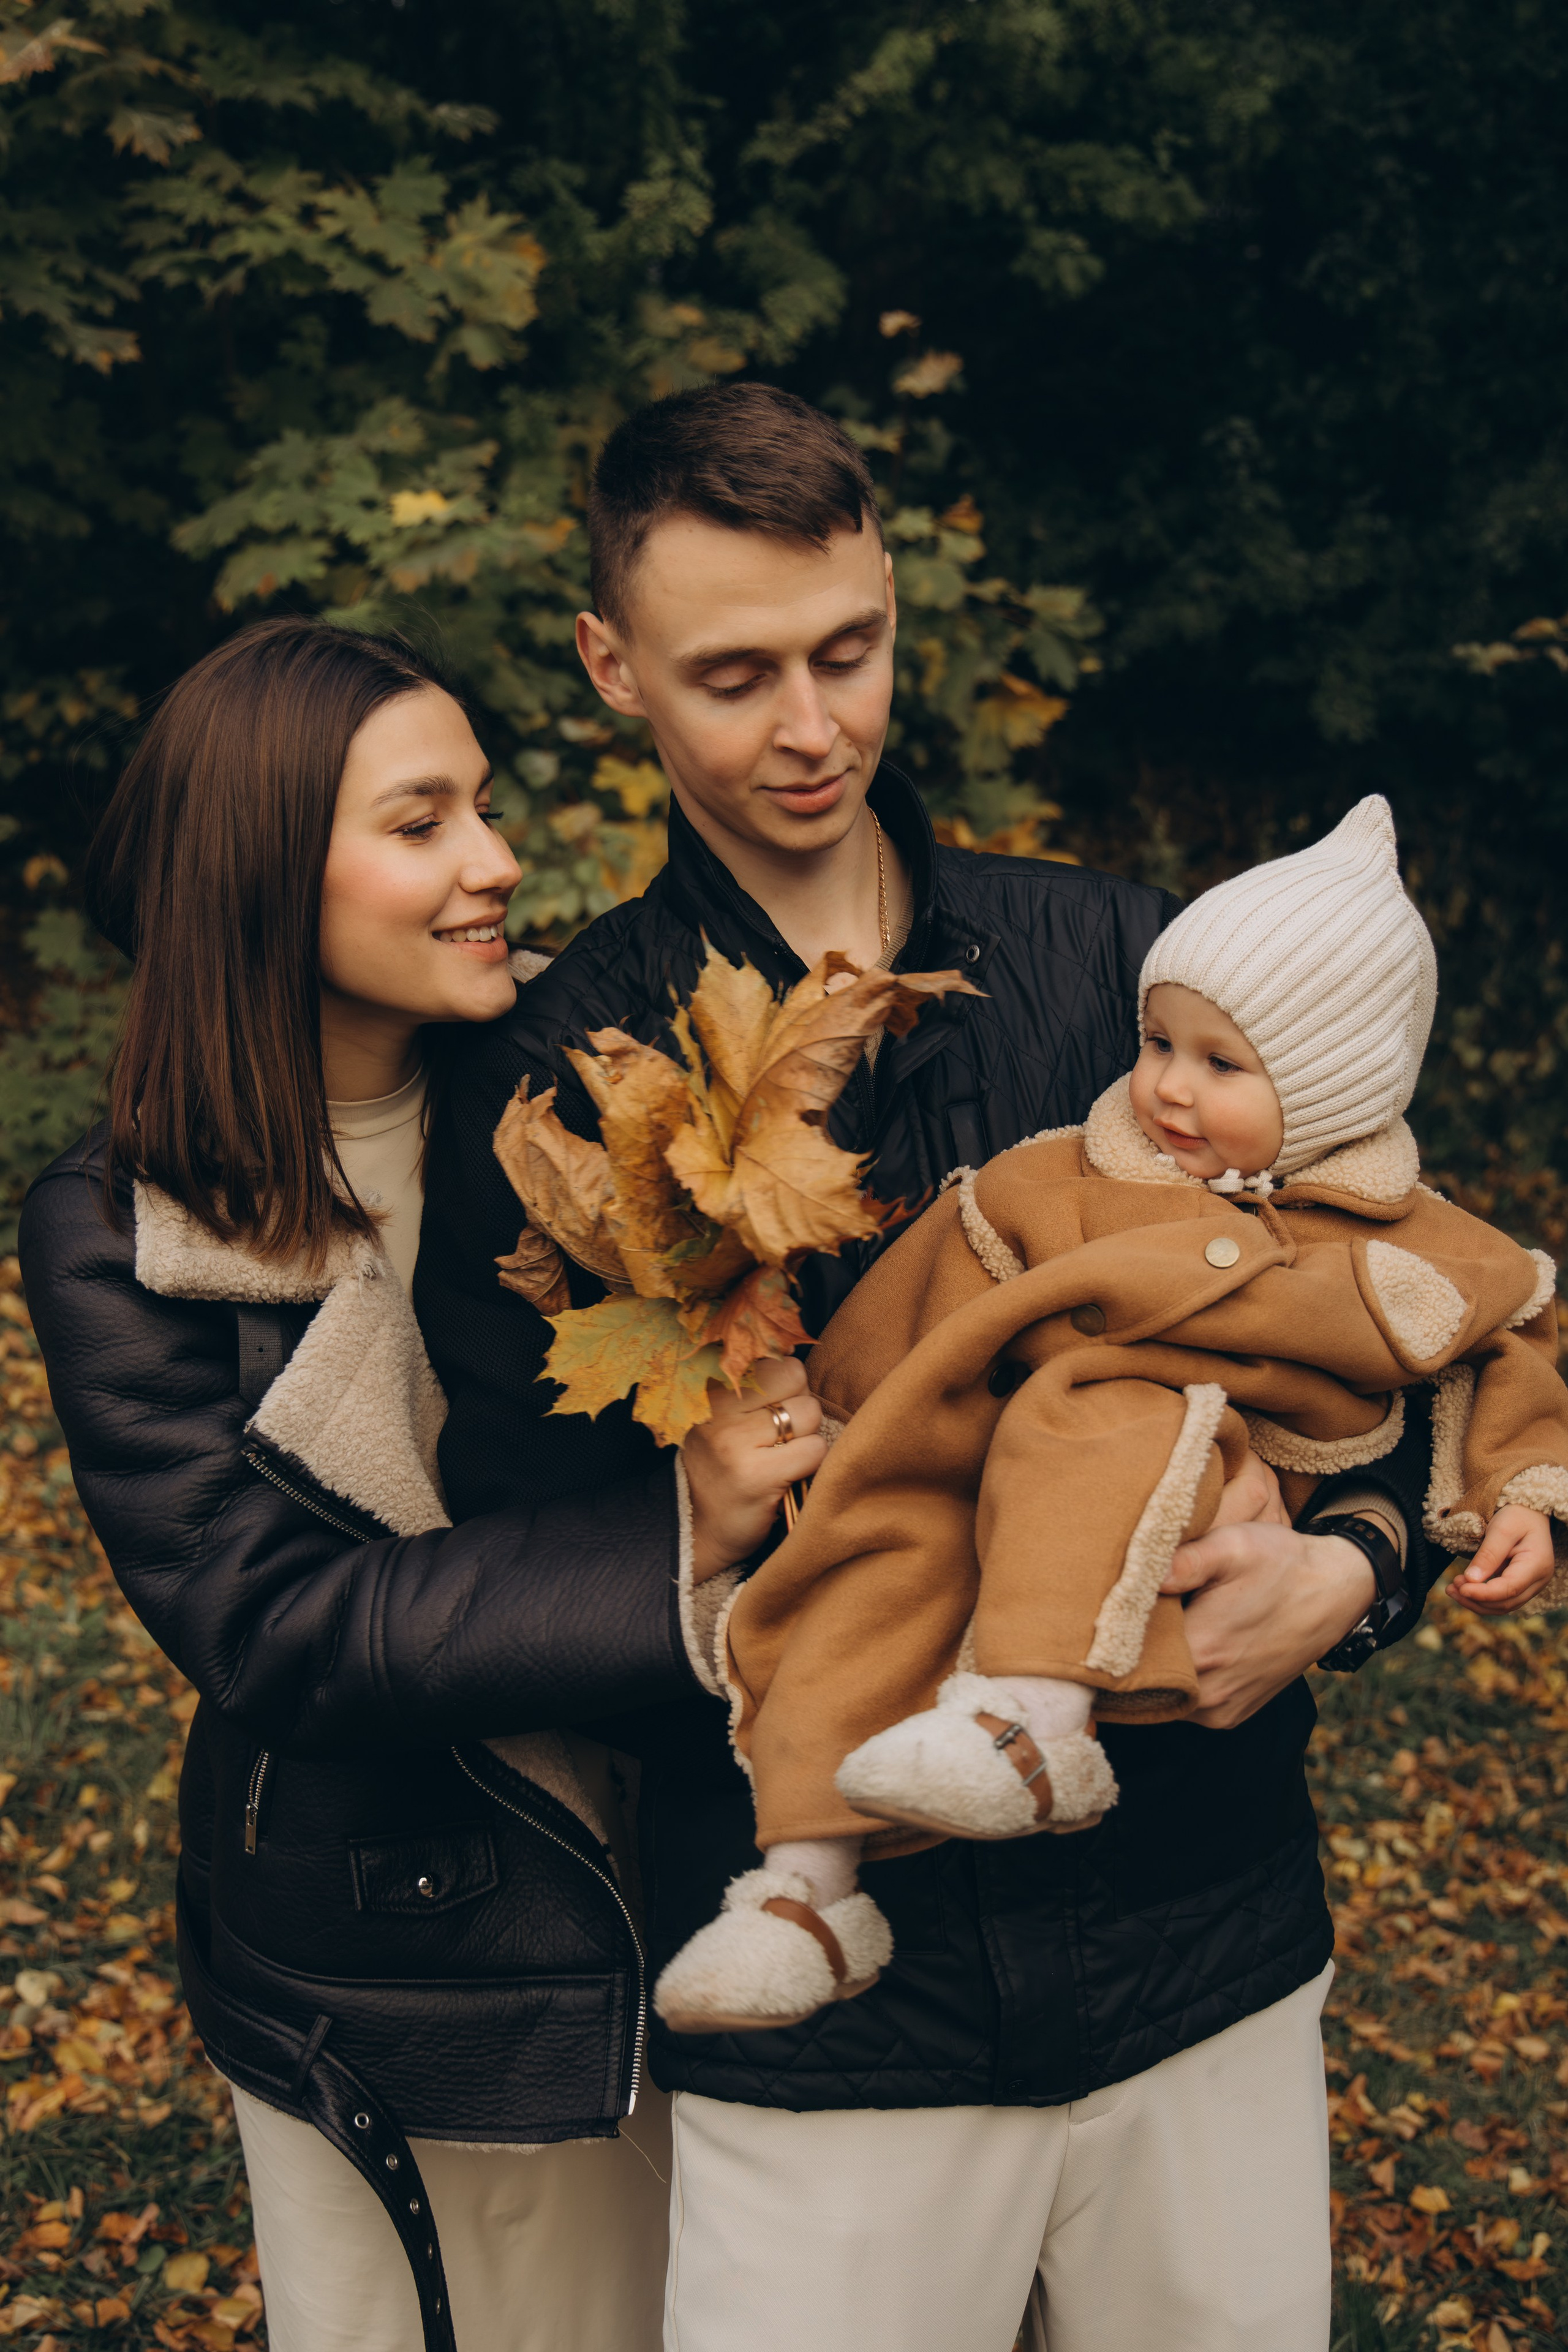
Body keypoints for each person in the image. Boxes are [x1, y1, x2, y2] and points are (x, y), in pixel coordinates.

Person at [413, 383, 1444, 2352]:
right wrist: (686, 1529)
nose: (813, 727)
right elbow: (511, 1553)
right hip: (828, 2022)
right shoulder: (559, 1078)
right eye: (734, 676)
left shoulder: (1135, 969)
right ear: (610, 668)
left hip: (1204, 1941)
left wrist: (1354, 1573)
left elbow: (1390, 1309)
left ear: (893, 594)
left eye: (849, 651)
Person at [17, 616, 826, 2352]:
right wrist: (678, 1536)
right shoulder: (120, 1229)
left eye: (484, 805)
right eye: (420, 822)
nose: (496, 861)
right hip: (399, 1940)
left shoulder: (596, 1091)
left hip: (704, 1849)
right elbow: (275, 1626)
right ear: (260, 874)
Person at [654, 794, 1567, 2035]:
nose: (1168, 1088)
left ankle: (1032, 1724)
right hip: (1014, 1488)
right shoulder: (1064, 1175)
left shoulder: (1410, 1238)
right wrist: (851, 1415)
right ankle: (803, 1894)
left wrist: (1522, 1493)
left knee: (1096, 1403)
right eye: (1156, 1043)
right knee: (883, 1559)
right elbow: (934, 1275)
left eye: (1221, 1064)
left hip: (1226, 1487)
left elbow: (1507, 1345)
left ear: (1329, 1088)